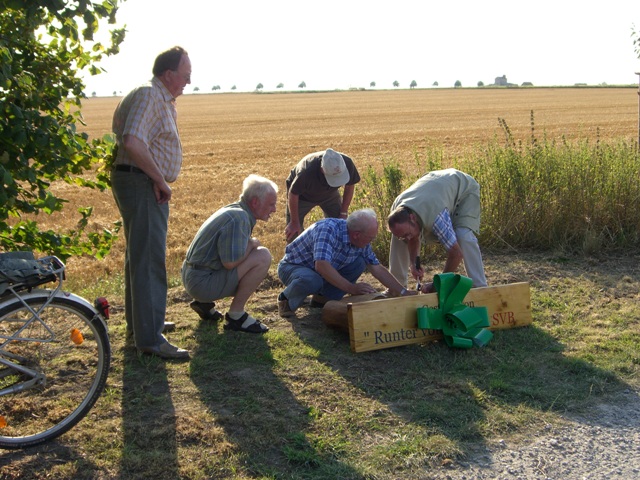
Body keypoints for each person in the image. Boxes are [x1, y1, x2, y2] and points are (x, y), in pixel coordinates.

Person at [111, 46, 192, 360]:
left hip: (139, 181)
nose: (188, 81)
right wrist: (159, 179)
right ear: (168, 74)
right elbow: (132, 141)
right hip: (142, 183)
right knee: (148, 260)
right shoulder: (149, 95)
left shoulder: (157, 96)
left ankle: (144, 325)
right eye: (185, 75)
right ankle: (150, 339)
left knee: (139, 256)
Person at [182, 175, 278, 334]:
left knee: (252, 253)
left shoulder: (234, 210)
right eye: (271, 204)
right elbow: (230, 263)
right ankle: (236, 315)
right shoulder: (239, 218)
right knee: (263, 256)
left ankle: (204, 303)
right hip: (200, 283)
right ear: (255, 202)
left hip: (192, 275)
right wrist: (252, 244)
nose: (274, 209)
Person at [277, 208, 415, 317]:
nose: (371, 241)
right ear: (356, 234)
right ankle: (286, 301)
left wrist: (403, 292)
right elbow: (322, 266)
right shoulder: (327, 229)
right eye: (370, 238)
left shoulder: (360, 239)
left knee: (359, 263)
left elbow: (377, 268)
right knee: (312, 279)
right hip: (293, 267)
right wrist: (351, 288)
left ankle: (322, 300)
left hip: (319, 273)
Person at [386, 168, 488, 293]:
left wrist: (437, 285)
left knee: (463, 235)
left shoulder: (437, 217)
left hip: (463, 188)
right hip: (435, 187)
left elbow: (456, 254)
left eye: (407, 234)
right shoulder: (397, 212)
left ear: (412, 218)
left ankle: (480, 287)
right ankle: (396, 289)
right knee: (399, 237)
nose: (407, 238)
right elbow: (412, 237)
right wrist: (413, 264)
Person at [284, 148, 360, 242]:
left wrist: (343, 212)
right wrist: (294, 222)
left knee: (341, 227)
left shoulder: (347, 163)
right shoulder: (306, 171)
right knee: (293, 233)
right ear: (322, 170)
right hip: (302, 197)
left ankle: (333, 249)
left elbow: (350, 185)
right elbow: (293, 194)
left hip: (330, 194)